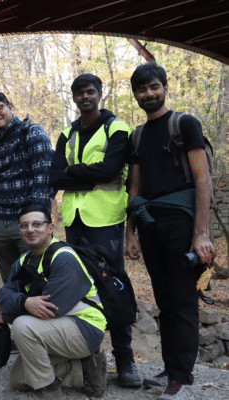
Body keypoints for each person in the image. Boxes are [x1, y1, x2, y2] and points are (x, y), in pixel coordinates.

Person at [125, 62, 215, 400]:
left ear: (164, 86)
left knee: (183, 300)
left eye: (153, 87)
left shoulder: (184, 124)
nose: (148, 94)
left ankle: (180, 377)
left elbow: (202, 178)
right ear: (135, 94)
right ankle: (169, 367)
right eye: (141, 89)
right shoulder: (138, 135)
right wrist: (130, 233)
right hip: (149, 224)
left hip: (181, 222)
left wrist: (201, 233)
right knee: (163, 299)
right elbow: (134, 187)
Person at [49, 73, 140, 387]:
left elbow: (112, 170)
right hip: (74, 220)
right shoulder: (66, 134)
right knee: (79, 287)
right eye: (79, 93)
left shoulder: (117, 129)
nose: (85, 97)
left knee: (112, 285)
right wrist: (90, 176)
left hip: (105, 219)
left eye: (90, 92)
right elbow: (55, 177)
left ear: (100, 94)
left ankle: (125, 360)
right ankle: (88, 359)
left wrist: (73, 173)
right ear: (73, 97)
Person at [0, 204, 107, 400]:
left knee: (22, 326)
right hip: (55, 329)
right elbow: (4, 296)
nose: (30, 229)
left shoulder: (64, 258)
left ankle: (50, 390)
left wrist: (11, 312)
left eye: (37, 224)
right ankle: (85, 367)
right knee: (19, 379)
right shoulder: (22, 261)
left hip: (85, 327)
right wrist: (24, 303)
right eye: (24, 225)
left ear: (50, 228)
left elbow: (51, 309)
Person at [0, 92, 54, 285]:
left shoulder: (32, 132)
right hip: (1, 223)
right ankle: (14, 313)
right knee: (11, 281)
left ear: (9, 106)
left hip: (29, 223)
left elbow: (44, 177)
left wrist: (37, 220)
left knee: (36, 279)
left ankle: (38, 314)